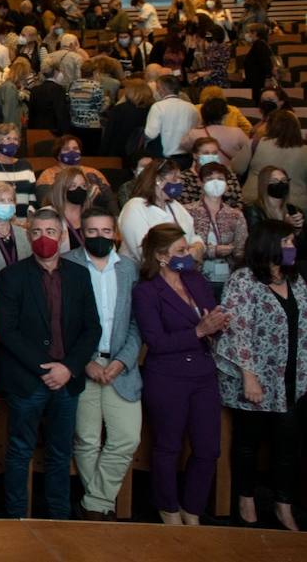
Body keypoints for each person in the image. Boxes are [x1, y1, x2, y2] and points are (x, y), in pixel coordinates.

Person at [0, 207, 101, 519]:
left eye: (51, 232)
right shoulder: (11, 276)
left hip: (68, 381)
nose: (44, 238)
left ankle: (58, 517)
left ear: (62, 235)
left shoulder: (79, 275)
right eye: (37, 232)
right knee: (19, 451)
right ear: (29, 236)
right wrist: (47, 368)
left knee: (59, 453)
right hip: (28, 381)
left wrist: (68, 367)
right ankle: (16, 517)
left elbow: (92, 328)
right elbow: (7, 331)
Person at [133, 223, 226, 526]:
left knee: (208, 447)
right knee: (168, 446)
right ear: (161, 256)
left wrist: (218, 324)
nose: (188, 255)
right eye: (181, 251)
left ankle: (193, 508)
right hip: (167, 376)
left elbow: (210, 316)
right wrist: (199, 330)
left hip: (202, 373)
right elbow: (155, 342)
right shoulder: (147, 291)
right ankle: (168, 508)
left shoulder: (196, 280)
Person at [215, 220, 306, 531]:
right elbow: (237, 331)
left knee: (287, 448)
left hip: (291, 378)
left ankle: (284, 507)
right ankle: (246, 502)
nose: (293, 247)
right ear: (270, 245)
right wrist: (249, 376)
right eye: (288, 242)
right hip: (254, 379)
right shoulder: (243, 280)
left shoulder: (296, 280)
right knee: (247, 444)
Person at [61, 208, 143, 522]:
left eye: (106, 231)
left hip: (121, 366)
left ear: (115, 234)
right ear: (82, 232)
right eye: (92, 231)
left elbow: (138, 323)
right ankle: (99, 508)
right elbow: (62, 323)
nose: (99, 236)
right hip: (83, 366)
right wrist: (85, 362)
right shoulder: (68, 264)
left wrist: (122, 361)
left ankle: (94, 503)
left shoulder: (129, 269)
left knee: (127, 438)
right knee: (87, 440)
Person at [118, 158, 205, 262]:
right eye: (174, 179)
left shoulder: (175, 205)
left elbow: (193, 237)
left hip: (179, 270)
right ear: (157, 179)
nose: (179, 183)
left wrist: (197, 247)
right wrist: (181, 256)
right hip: (144, 273)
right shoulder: (135, 207)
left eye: (179, 179)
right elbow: (143, 252)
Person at [187, 162, 247, 296]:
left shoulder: (236, 214)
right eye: (209, 179)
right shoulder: (188, 212)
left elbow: (242, 249)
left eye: (220, 179)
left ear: (227, 184)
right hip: (196, 278)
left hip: (229, 279)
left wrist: (235, 252)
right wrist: (213, 251)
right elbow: (183, 247)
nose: (215, 183)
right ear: (200, 183)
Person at [235, 110, 307, 212]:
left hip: (256, 201)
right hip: (295, 205)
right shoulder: (305, 150)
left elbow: (237, 168)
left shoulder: (254, 144)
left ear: (269, 126)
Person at [34, 134, 115, 207]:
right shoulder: (47, 174)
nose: (72, 152)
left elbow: (110, 200)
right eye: (66, 149)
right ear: (58, 155)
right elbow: (44, 202)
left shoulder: (93, 172)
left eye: (75, 148)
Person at [243, 166, 307, 245]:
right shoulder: (252, 210)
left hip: (289, 255)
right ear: (264, 184)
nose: (281, 184)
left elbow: (301, 246)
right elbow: (260, 242)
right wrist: (286, 226)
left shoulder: (295, 210)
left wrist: (297, 230)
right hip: (266, 256)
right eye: (274, 181)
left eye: (284, 180)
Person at [144, 75, 200, 163]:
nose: (157, 91)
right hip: (187, 157)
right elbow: (197, 131)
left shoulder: (158, 107)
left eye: (158, 88)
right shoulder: (192, 107)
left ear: (163, 89)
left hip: (165, 158)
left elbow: (151, 134)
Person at [180, 137, 245, 209]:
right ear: (195, 155)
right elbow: (184, 207)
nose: (210, 156)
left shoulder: (228, 175)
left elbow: (238, 202)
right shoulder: (184, 178)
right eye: (206, 153)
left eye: (214, 153)